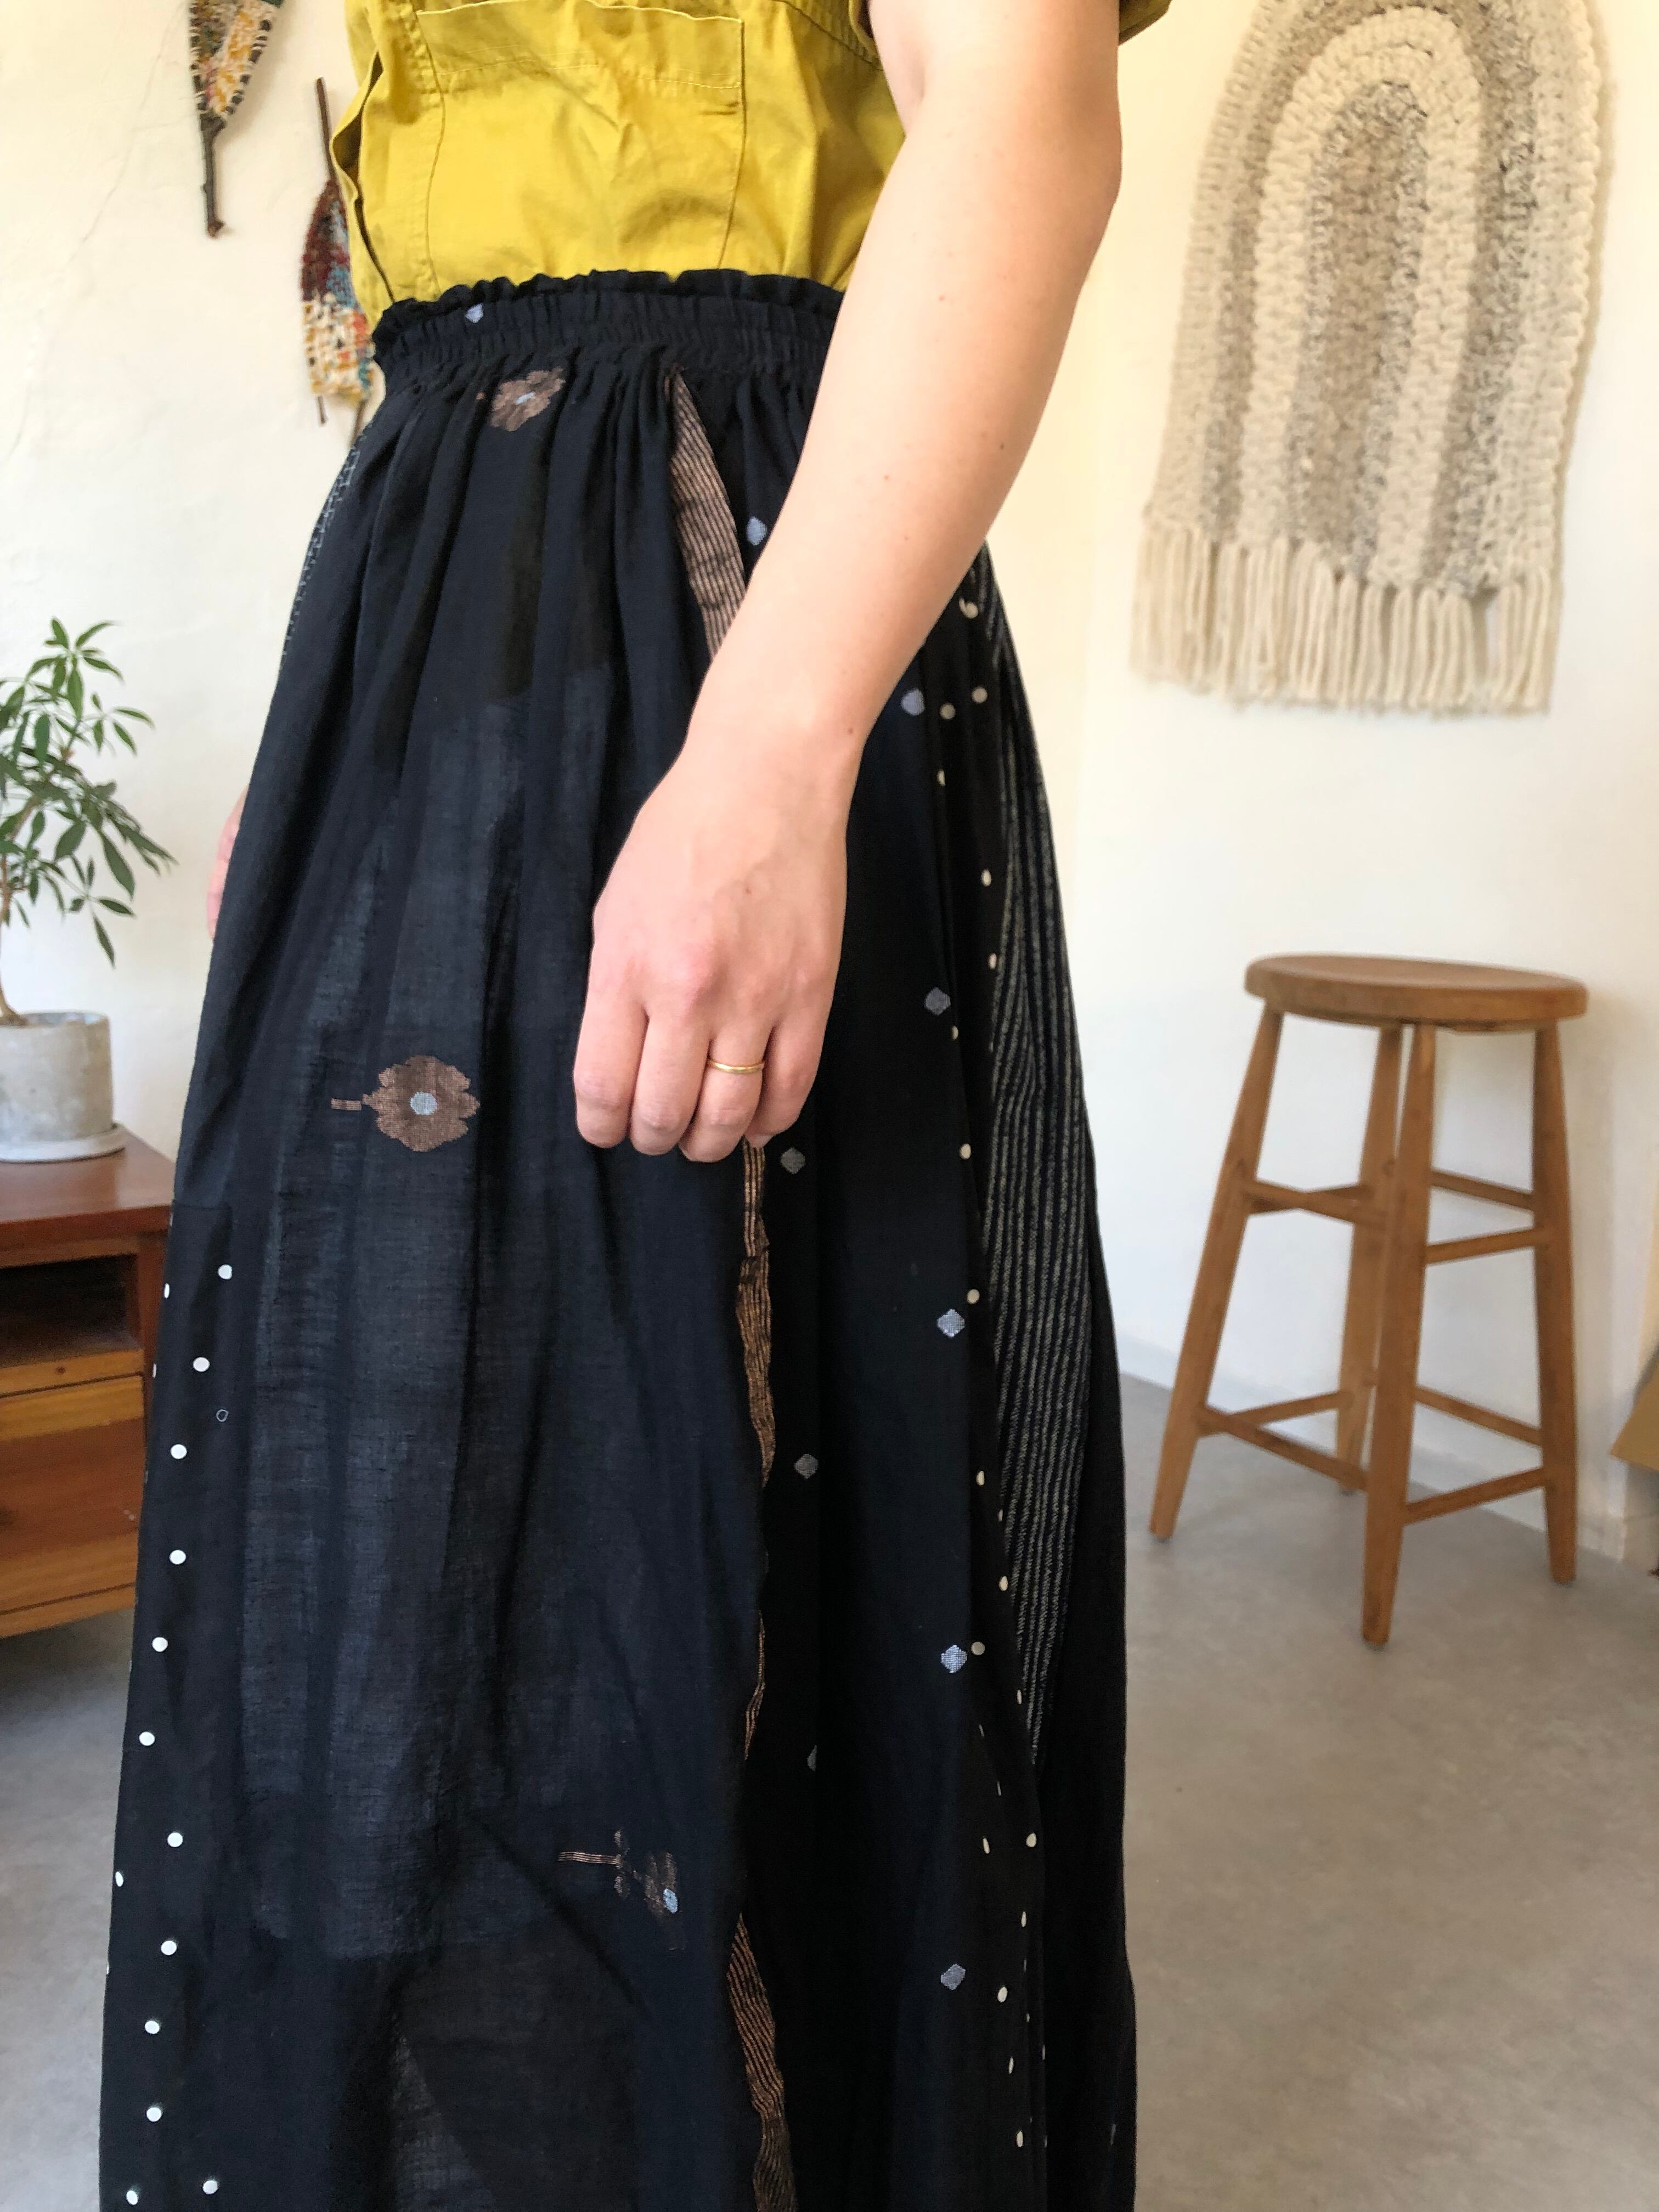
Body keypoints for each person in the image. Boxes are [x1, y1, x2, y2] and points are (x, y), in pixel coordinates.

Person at [103, 0, 1172, 2205]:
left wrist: (770, 759)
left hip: (731, 615)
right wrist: (342, 756)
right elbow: (458, 330)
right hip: (440, 643)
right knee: (405, 1530)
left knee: (746, 1508)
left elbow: (1024, 110)